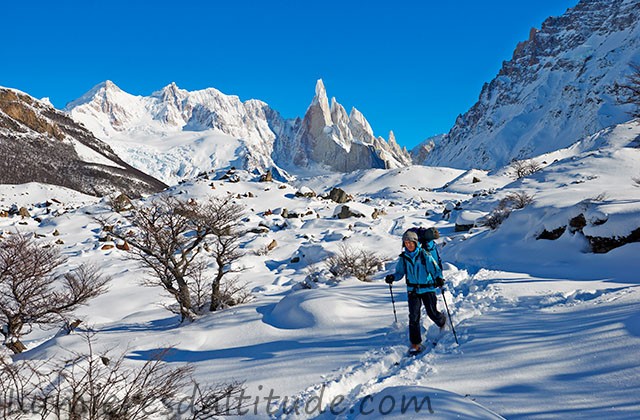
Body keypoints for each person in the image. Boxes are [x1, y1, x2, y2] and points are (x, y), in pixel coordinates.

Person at [385, 230, 446, 353]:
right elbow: (400, 272)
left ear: (416, 242)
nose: (408, 245)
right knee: (413, 317)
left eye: (410, 242)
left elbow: (435, 269)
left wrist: (438, 278)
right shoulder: (404, 258)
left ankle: (442, 320)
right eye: (406, 242)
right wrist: (393, 277)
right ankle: (415, 344)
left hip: (428, 288)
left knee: (432, 313)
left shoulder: (424, 255)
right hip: (412, 290)